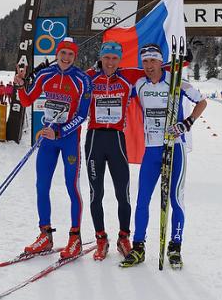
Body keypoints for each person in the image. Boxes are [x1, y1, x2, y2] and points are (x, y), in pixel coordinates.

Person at [120, 43, 207, 269]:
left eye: (153, 61)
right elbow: (117, 87)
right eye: (145, 61)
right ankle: (138, 246)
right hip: (152, 150)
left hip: (174, 147)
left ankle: (175, 247)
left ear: (161, 62)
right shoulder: (139, 85)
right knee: (143, 200)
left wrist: (186, 124)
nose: (149, 66)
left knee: (175, 200)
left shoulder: (176, 82)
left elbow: (202, 102)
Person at [14, 38, 91, 260]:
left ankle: (75, 238)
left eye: (70, 54)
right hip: (48, 138)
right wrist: (20, 86)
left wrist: (60, 131)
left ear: (74, 57)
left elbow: (82, 115)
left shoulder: (82, 80)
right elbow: (27, 100)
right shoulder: (45, 74)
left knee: (71, 186)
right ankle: (45, 235)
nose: (66, 57)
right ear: (58, 53)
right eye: (63, 53)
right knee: (41, 185)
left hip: (67, 139)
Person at [84, 41, 143, 261]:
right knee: (95, 193)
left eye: (114, 58)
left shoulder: (127, 77)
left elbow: (156, 68)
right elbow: (69, 78)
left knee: (123, 193)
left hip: (117, 139)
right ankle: (101, 238)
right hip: (94, 139)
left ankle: (123, 237)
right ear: (101, 57)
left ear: (119, 60)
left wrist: (184, 60)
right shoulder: (89, 77)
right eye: (106, 57)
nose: (110, 62)